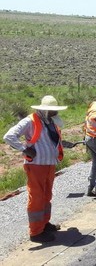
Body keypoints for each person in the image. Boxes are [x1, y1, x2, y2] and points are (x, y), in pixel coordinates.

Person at [3, 95, 67, 243]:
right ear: (44, 110)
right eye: (51, 111)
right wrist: (24, 148)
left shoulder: (50, 122)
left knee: (46, 196)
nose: (54, 113)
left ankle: (44, 223)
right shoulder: (29, 121)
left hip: (49, 165)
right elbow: (9, 136)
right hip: (36, 166)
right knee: (37, 197)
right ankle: (36, 232)